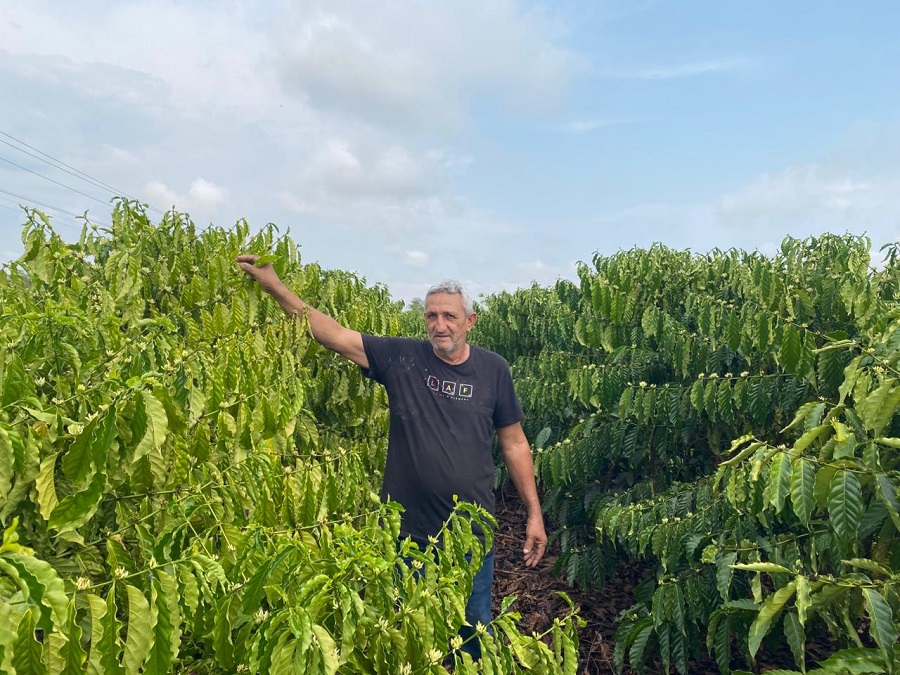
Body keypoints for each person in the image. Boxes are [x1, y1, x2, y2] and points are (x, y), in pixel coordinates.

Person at [237, 255, 547, 656]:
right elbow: (334, 335)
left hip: (470, 533)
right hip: (407, 533)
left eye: (450, 316)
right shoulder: (403, 358)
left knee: (471, 635)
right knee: (407, 636)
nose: (440, 325)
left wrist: (534, 513)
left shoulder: (494, 370)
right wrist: (275, 287)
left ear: (470, 321)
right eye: (431, 315)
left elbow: (515, 443)